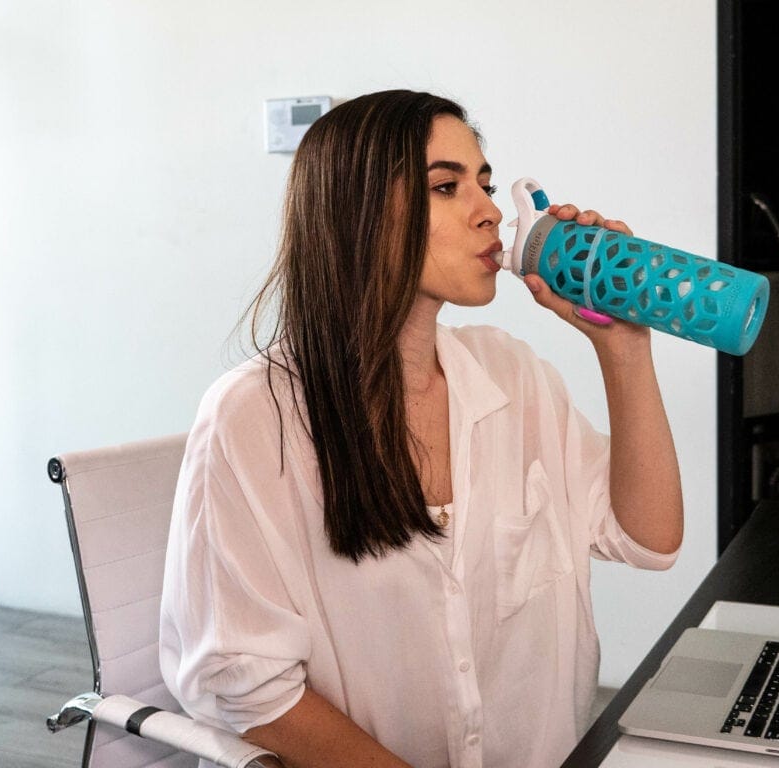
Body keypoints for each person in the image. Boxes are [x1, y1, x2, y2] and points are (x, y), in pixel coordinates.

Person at [159, 89, 683, 768]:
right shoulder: (255, 417)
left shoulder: (512, 374)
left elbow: (650, 537)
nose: (491, 211)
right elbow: (241, 684)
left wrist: (624, 349)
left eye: (487, 184)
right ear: (361, 213)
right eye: (447, 186)